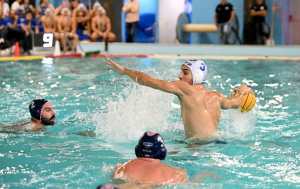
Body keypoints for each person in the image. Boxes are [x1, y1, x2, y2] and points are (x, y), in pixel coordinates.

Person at [105, 59, 255, 143]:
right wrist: (243, 91)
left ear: (196, 76)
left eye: (185, 72)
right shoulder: (217, 97)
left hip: (195, 146)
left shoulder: (184, 89)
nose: (179, 76)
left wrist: (124, 71)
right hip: (217, 144)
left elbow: (147, 80)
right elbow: (237, 103)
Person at [113, 131, 188, 186]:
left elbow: (115, 179)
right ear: (162, 151)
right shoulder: (175, 173)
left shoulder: (122, 167)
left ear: (138, 149)